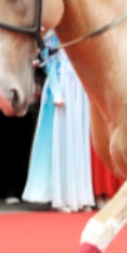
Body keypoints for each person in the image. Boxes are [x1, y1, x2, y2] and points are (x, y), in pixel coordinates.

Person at [24, 33, 96, 213]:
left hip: (79, 87)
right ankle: (60, 196)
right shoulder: (51, 35)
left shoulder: (79, 31)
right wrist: (56, 92)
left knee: (79, 140)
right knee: (60, 139)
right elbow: (48, 62)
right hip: (61, 84)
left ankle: (81, 196)